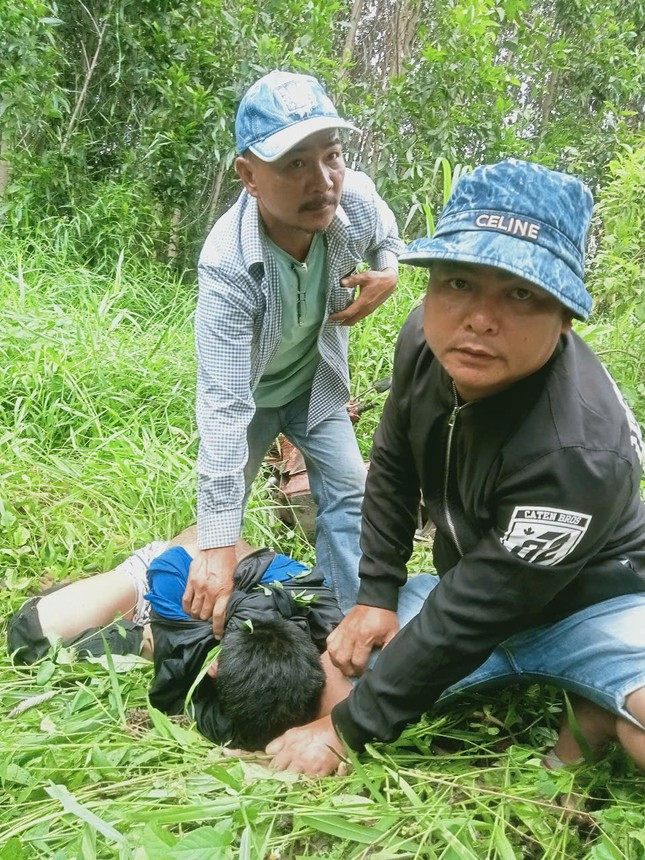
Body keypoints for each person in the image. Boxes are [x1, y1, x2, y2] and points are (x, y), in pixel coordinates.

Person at [264, 159, 645, 775]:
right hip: (470, 584)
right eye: (460, 282)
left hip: (596, 607)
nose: (480, 319)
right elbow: (391, 466)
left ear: (565, 315)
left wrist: (346, 732)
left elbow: (474, 611)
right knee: (329, 671)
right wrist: (377, 594)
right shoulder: (426, 340)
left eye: (521, 293)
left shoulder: (582, 455)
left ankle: (597, 706)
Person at [188, 70, 403, 634]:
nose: (322, 181)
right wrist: (218, 543)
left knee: (350, 494)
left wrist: (389, 272)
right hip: (253, 400)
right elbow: (223, 404)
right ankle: (199, 616)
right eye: (295, 164)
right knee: (220, 520)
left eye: (331, 156)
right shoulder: (228, 264)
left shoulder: (354, 199)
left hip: (316, 385)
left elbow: (388, 234)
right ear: (249, 176)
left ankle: (347, 627)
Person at [6, 525, 433, 750]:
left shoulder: (315, 682)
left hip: (193, 617)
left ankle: (147, 639)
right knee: (33, 633)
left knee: (39, 642)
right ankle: (136, 613)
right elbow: (174, 562)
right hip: (191, 568)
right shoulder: (319, 609)